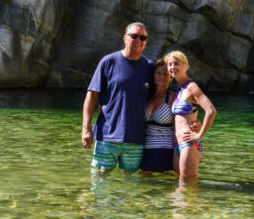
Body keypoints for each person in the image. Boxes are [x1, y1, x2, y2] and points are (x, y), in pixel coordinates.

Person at [81, 22, 154, 172]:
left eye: (143, 37)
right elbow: (92, 95)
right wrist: (86, 129)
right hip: (107, 136)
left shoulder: (150, 67)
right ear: (125, 38)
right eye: (134, 36)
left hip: (136, 139)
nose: (138, 40)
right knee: (99, 182)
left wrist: (188, 118)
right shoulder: (109, 62)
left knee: (130, 187)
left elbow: (162, 97)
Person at [165, 50, 216, 183]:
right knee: (183, 186)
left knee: (187, 186)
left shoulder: (191, 87)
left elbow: (211, 111)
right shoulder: (180, 88)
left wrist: (199, 135)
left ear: (185, 65)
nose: (172, 67)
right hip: (178, 144)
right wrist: (195, 122)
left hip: (188, 144)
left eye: (176, 64)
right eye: (170, 64)